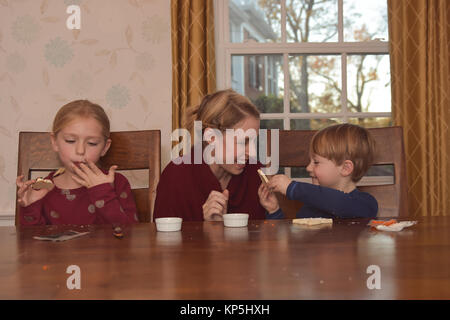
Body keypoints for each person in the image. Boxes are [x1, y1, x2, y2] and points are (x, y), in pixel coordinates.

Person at [153, 89, 282, 221]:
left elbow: (270, 237)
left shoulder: (255, 173)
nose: (253, 152)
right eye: (243, 142)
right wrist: (209, 228)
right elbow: (163, 239)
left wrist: (273, 211)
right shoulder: (175, 177)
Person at [16, 100, 138, 225]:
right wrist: (29, 208)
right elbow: (30, 242)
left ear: (105, 148)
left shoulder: (117, 183)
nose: (80, 151)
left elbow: (128, 238)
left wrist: (103, 193)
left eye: (92, 143)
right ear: (54, 142)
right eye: (70, 141)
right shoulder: (42, 190)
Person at [262, 123, 378, 219]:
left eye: (316, 162)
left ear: (345, 168)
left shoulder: (365, 204)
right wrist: (274, 212)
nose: (308, 168)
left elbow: (338, 202)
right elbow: (290, 239)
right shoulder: (310, 207)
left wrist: (292, 188)